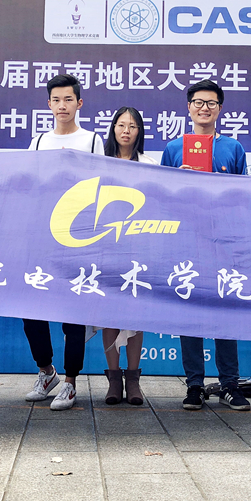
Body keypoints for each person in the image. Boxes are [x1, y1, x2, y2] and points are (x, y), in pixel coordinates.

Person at [160, 79, 250, 412]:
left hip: (223, 241)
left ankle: (230, 384)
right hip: (186, 240)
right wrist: (179, 181)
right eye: (198, 102)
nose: (204, 108)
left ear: (219, 109)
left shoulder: (233, 148)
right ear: (189, 108)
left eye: (211, 103)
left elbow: (242, 196)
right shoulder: (173, 148)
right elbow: (161, 197)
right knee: (190, 311)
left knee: (225, 309)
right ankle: (194, 385)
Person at [23, 74, 103, 410]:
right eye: (56, 100)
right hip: (42, 236)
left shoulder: (92, 140)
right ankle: (46, 372)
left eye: (68, 99)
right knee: (32, 310)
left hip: (78, 237)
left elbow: (102, 185)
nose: (62, 106)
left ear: (79, 103)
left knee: (73, 313)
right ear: (49, 104)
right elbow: (29, 184)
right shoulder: (39, 141)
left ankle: (70, 382)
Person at [100, 107, 157, 405]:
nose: (126, 131)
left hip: (139, 248)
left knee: (136, 315)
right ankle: (114, 380)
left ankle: (133, 380)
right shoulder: (99, 161)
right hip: (105, 246)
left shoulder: (149, 165)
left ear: (139, 131)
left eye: (132, 126)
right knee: (108, 314)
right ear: (113, 128)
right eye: (121, 125)